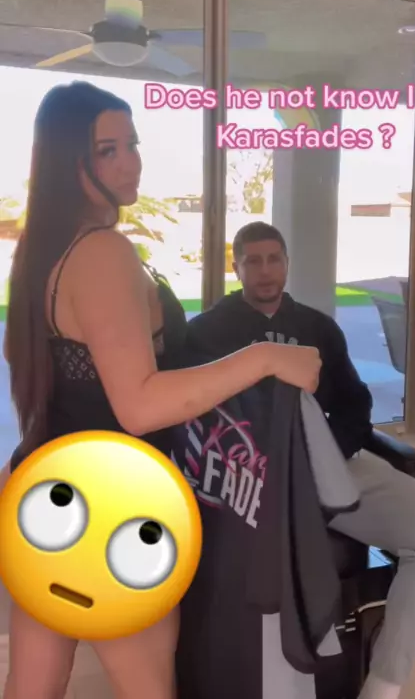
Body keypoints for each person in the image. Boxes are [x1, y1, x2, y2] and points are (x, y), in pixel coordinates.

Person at [1, 84, 321, 699]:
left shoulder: (41, 251)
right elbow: (140, 405)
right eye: (107, 150)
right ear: (69, 160)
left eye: (133, 143)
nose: (130, 162)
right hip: (114, 509)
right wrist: (264, 356)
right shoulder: (102, 252)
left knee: (32, 684)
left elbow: (53, 372)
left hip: (45, 489)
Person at [186, 221, 415, 699]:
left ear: (287, 264)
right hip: (247, 479)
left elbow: (354, 405)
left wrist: (326, 456)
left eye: (274, 259)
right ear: (236, 268)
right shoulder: (206, 334)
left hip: (329, 466)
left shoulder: (319, 328)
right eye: (253, 261)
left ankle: (383, 684)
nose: (265, 270)